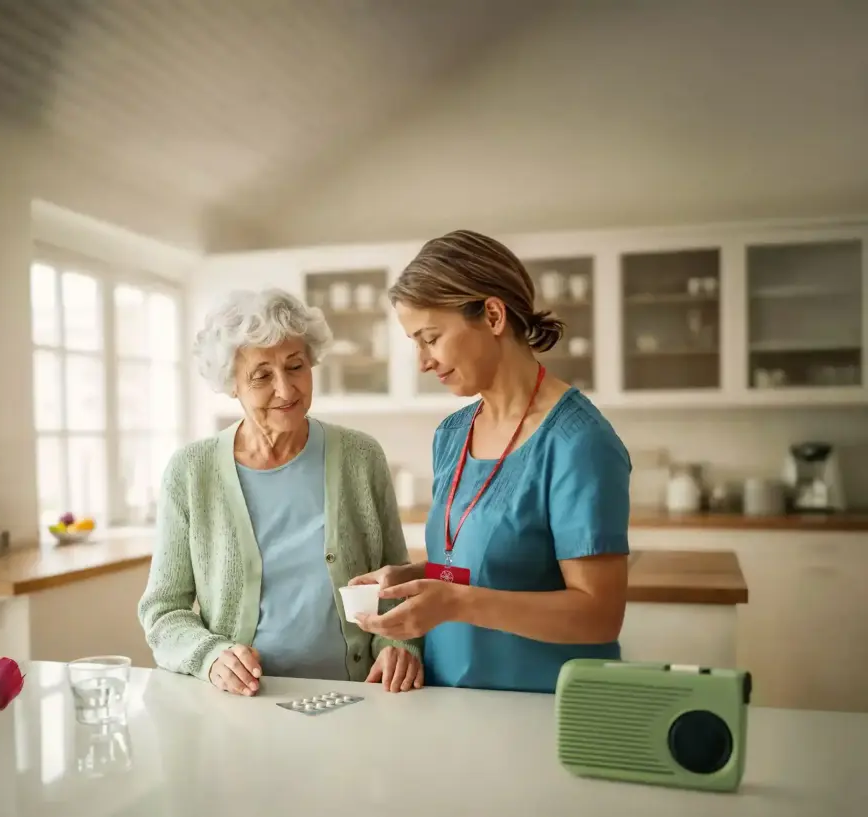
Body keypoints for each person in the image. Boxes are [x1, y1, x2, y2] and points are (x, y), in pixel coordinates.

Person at [350, 229, 631, 694]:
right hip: (449, 702)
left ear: (493, 315)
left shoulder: (579, 443)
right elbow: (476, 569)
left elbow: (599, 615)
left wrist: (456, 604)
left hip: (546, 712)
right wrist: (413, 578)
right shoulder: (453, 435)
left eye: (431, 338)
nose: (423, 361)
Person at [138, 288, 423, 696]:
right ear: (231, 383)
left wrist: (398, 645)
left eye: (295, 367)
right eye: (261, 376)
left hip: (359, 695)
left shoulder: (361, 456)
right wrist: (210, 655)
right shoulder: (190, 471)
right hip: (244, 705)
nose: (286, 390)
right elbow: (163, 611)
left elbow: (397, 582)